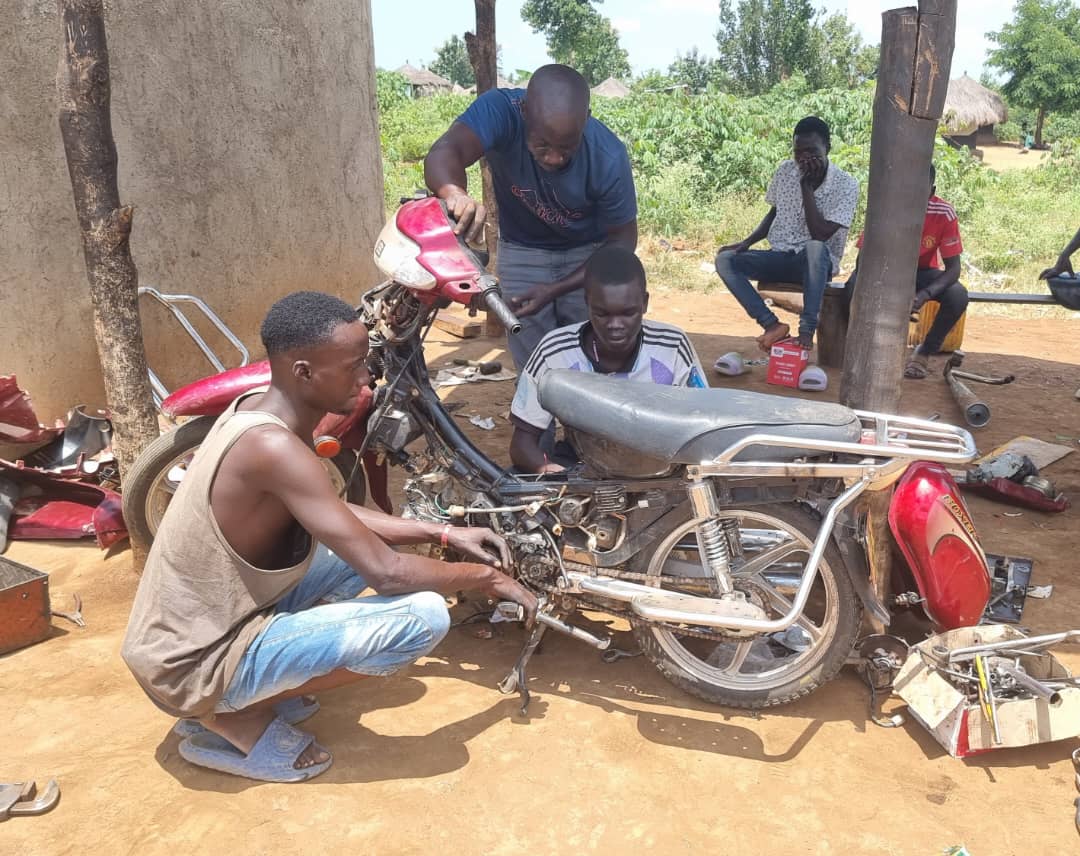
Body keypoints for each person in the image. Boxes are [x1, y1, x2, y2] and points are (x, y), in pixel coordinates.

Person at [122, 291, 537, 783]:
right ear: (303, 372)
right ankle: (228, 711)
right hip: (189, 667)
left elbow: (329, 509)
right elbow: (387, 575)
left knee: (353, 550)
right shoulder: (272, 447)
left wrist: (441, 531)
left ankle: (254, 685)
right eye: (354, 366)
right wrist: (486, 578)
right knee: (422, 617)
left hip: (195, 630)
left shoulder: (258, 411)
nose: (366, 377)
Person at [424, 64, 638, 370]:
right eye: (542, 144)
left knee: (590, 358)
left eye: (567, 148)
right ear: (524, 112)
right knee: (533, 363)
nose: (553, 157)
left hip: (588, 256)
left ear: (586, 120)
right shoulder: (500, 111)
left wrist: (556, 289)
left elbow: (623, 240)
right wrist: (455, 193)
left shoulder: (608, 155)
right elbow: (446, 151)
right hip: (521, 250)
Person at [509, 246, 706, 473]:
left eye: (628, 313)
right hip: (583, 466)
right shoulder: (555, 351)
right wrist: (561, 476)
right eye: (602, 314)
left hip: (660, 465)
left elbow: (703, 424)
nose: (615, 325)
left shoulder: (672, 346)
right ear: (587, 304)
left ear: (644, 303)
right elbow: (522, 445)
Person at [714, 116, 859, 351]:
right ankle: (771, 324)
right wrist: (746, 242)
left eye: (811, 151)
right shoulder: (785, 171)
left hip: (815, 265)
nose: (803, 158)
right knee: (725, 260)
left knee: (814, 247)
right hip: (780, 257)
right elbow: (774, 212)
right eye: (798, 152)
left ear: (827, 148)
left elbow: (820, 234)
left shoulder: (846, 185)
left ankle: (806, 330)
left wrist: (806, 187)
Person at [846, 164, 969, 379]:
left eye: (920, 190)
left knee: (958, 295)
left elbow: (953, 270)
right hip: (882, 270)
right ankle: (865, 347)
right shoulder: (885, 207)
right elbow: (862, 260)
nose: (912, 196)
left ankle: (924, 352)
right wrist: (886, 287)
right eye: (907, 188)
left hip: (922, 272)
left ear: (931, 191)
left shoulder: (943, 213)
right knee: (851, 290)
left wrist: (924, 294)